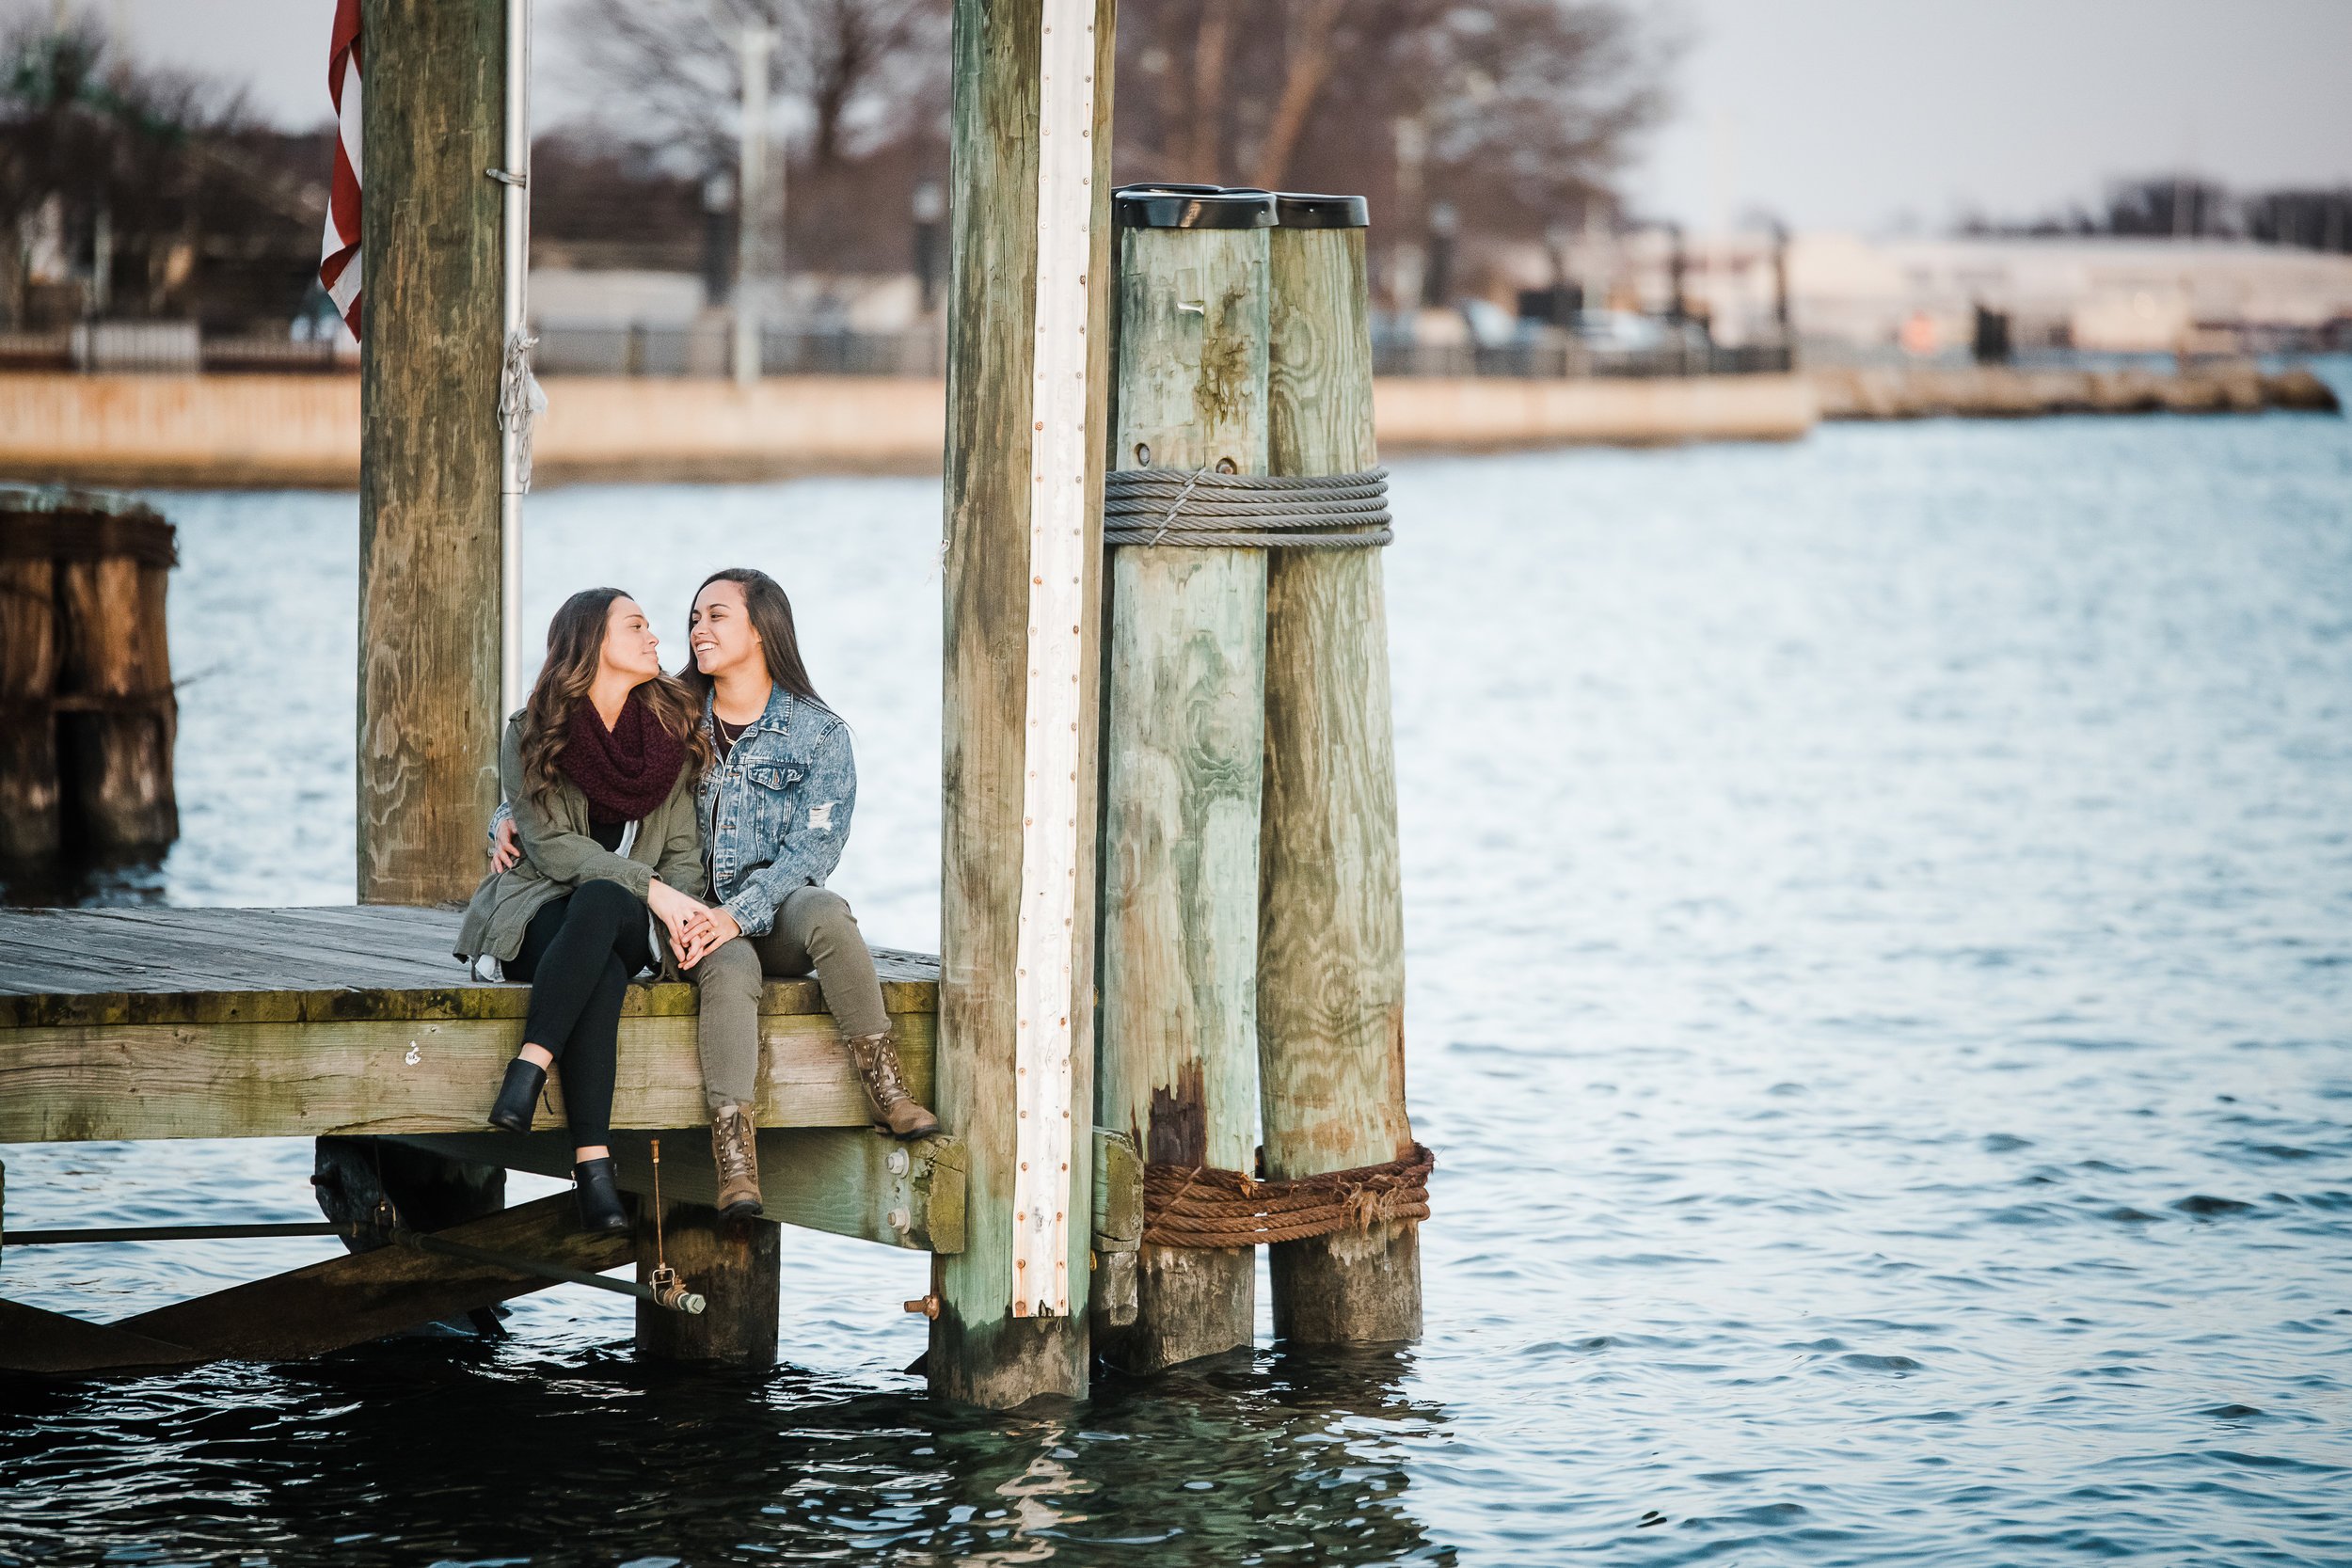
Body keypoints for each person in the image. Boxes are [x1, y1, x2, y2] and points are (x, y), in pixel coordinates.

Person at [492, 567, 938, 1226]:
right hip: (690, 918)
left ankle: (885, 1083)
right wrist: (504, 812)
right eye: (694, 616)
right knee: (730, 970)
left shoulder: (818, 734)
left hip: (774, 909)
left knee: (828, 909)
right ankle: (734, 1156)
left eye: (716, 616)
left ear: (761, 631)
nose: (697, 629)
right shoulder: (669, 709)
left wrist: (742, 912)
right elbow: (581, 749)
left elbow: (813, 852)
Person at [457, 587, 712, 1234]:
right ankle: (593, 1166)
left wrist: (669, 908)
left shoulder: (667, 736)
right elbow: (549, 846)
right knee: (594, 961)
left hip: (629, 924)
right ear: (593, 644)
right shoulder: (532, 732)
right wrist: (650, 886)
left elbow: (681, 854)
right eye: (637, 626)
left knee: (602, 902)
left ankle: (530, 1065)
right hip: (540, 910)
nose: (656, 638)